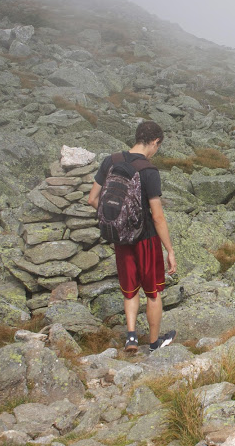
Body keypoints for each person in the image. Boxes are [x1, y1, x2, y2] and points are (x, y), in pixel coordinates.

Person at [88, 121, 177, 353]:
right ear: (155, 142)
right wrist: (170, 250)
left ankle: (131, 338)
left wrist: (116, 221)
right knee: (153, 292)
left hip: (121, 238)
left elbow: (92, 199)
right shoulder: (148, 171)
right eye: (158, 146)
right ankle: (155, 342)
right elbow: (157, 216)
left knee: (129, 290)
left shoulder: (111, 161)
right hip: (146, 238)